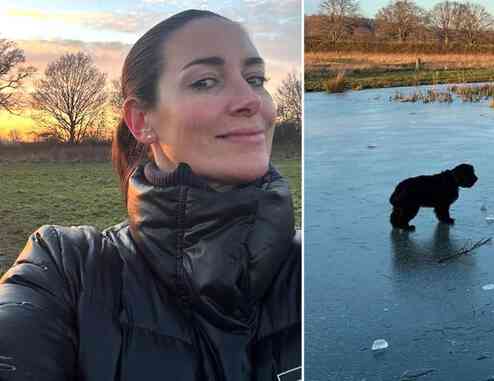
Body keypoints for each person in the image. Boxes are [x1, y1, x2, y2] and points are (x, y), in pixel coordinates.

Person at [0, 10, 300, 381]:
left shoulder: (314, 266)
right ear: (142, 121)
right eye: (206, 81)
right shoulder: (66, 272)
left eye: (255, 79)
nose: (249, 100)